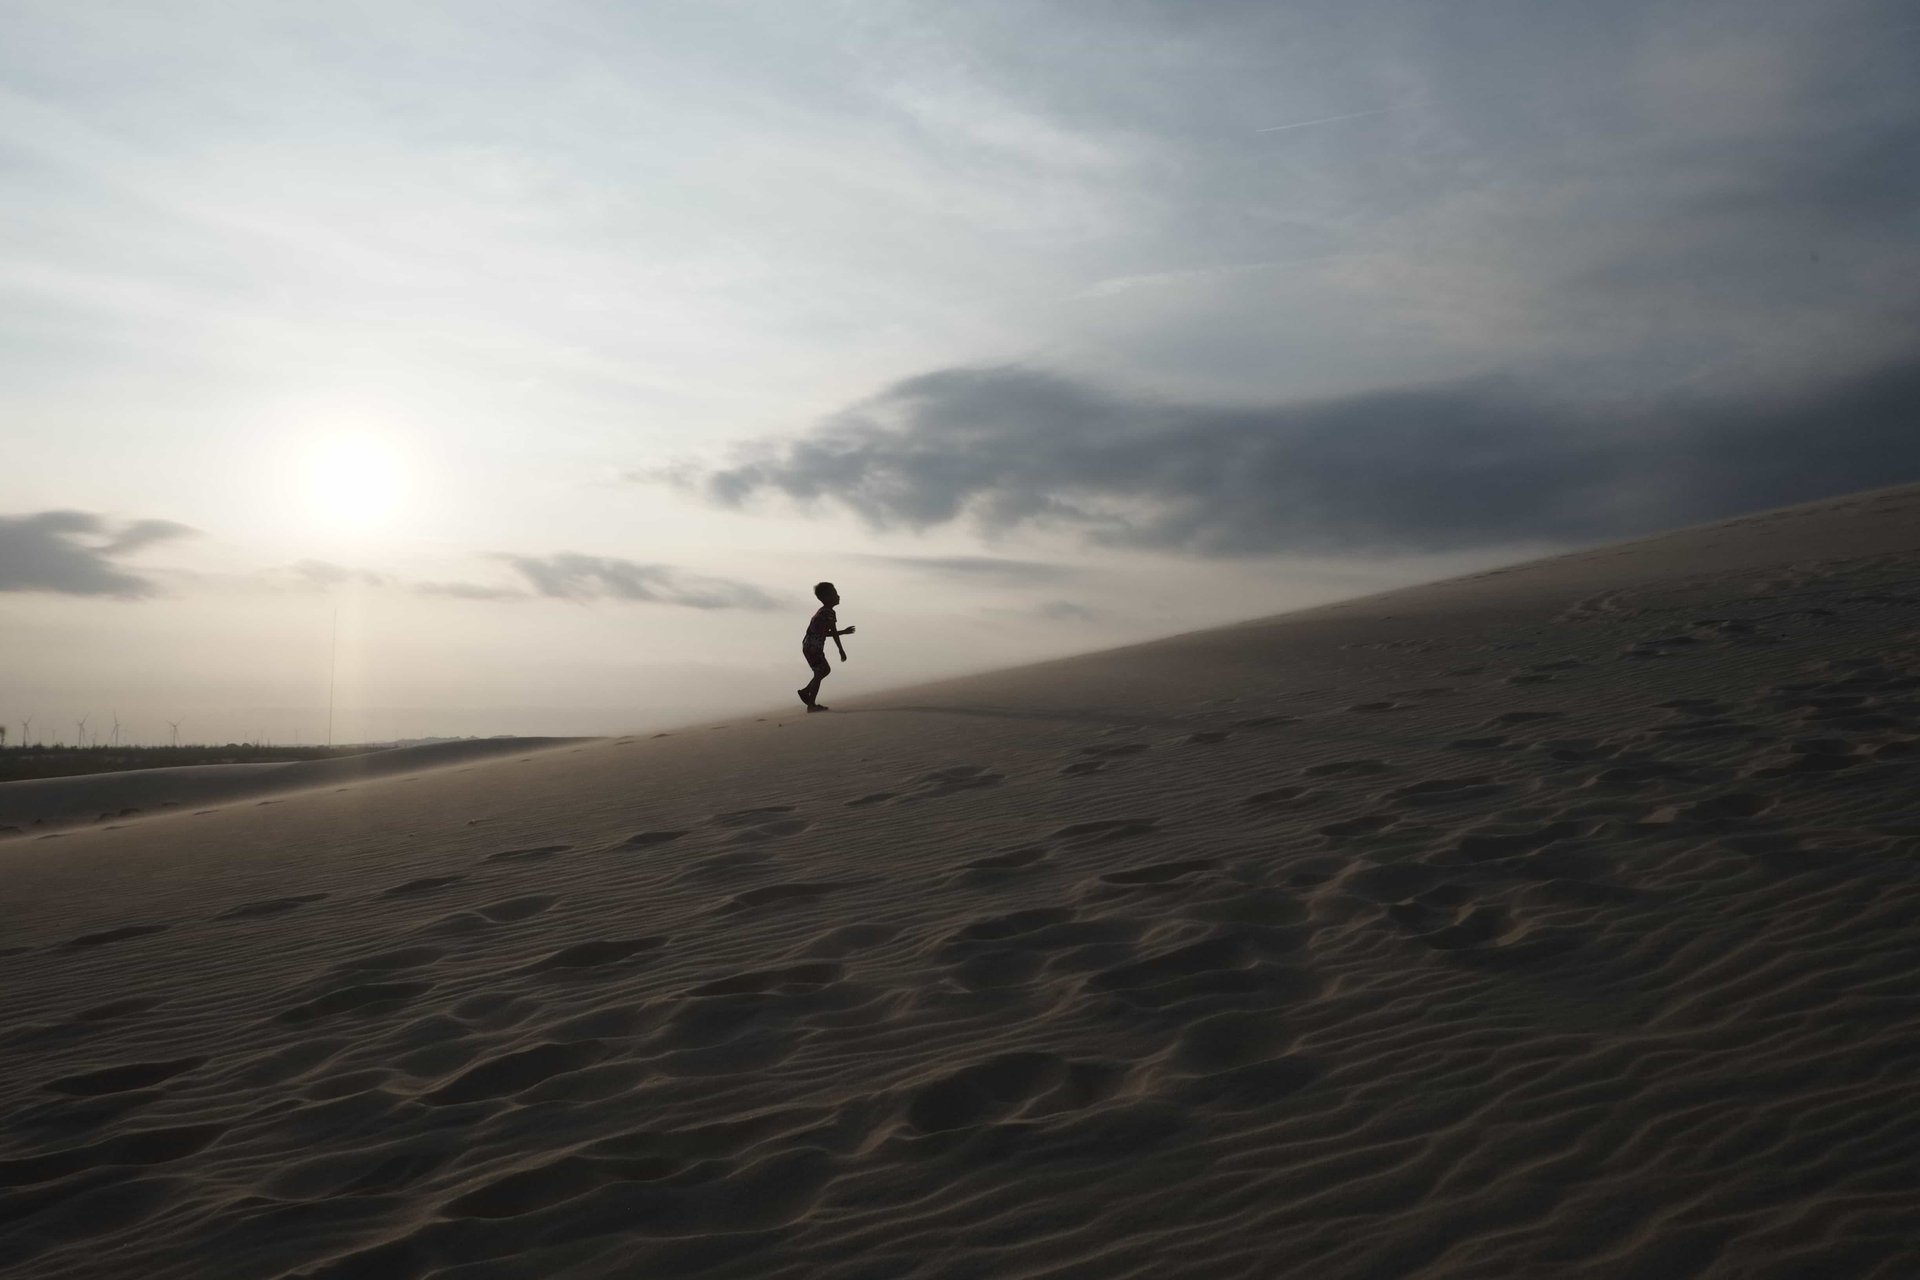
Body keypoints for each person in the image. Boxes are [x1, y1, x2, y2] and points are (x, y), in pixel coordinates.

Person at [798, 581, 854, 711]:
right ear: (826, 598)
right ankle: (811, 705)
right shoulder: (827, 613)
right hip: (813, 647)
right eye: (834, 594)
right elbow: (830, 633)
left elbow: (828, 632)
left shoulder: (826, 612)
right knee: (819, 672)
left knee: (824, 670)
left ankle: (806, 691)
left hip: (811, 646)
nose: (838, 596)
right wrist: (841, 649)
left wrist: (843, 635)